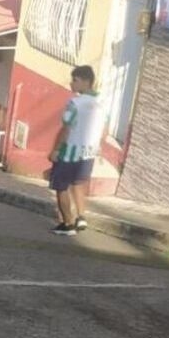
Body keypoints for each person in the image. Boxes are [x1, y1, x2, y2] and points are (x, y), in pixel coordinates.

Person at [48, 65, 106, 236]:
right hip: (88, 152)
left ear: (86, 82)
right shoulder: (102, 102)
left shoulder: (75, 103)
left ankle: (67, 223)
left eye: (75, 80)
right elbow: (105, 130)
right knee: (78, 184)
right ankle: (81, 217)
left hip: (69, 152)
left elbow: (66, 129)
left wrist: (56, 150)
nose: (71, 83)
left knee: (61, 187)